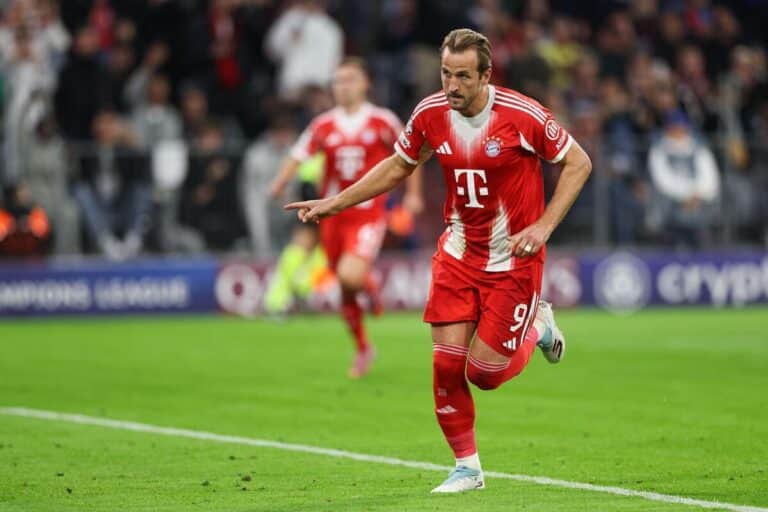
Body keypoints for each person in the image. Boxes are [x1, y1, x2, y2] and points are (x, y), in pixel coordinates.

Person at [286, 29, 592, 492]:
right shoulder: (430, 113)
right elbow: (398, 165)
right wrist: (335, 202)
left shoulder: (522, 114)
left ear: (486, 76)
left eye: (464, 76)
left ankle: (540, 328)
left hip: (513, 260)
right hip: (457, 255)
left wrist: (544, 226)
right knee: (446, 365)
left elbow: (579, 162)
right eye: (446, 74)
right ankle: (467, 467)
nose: (452, 85)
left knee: (484, 374)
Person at [271, 57, 424, 379]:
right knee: (345, 281)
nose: (343, 87)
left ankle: (363, 282)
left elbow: (411, 155)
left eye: (350, 79)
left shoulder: (382, 120)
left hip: (367, 214)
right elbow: (298, 155)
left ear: (365, 83)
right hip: (332, 215)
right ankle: (363, 346)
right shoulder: (323, 125)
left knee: (347, 276)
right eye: (338, 81)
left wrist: (413, 195)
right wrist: (279, 183)